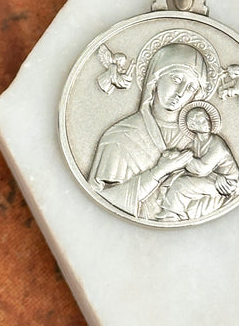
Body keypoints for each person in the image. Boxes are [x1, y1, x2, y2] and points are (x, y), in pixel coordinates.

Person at [89, 43, 219, 219]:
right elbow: (98, 203)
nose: (181, 92)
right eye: (176, 79)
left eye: (190, 87)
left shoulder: (202, 141)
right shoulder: (118, 137)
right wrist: (159, 172)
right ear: (155, 78)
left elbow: (226, 193)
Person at [156, 104, 239, 221]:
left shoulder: (217, 143)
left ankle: (171, 214)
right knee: (173, 179)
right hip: (211, 177)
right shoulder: (195, 143)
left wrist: (181, 156)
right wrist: (173, 156)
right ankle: (169, 211)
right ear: (192, 126)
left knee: (181, 184)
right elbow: (185, 163)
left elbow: (201, 169)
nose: (207, 122)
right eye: (201, 120)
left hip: (227, 183)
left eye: (207, 118)